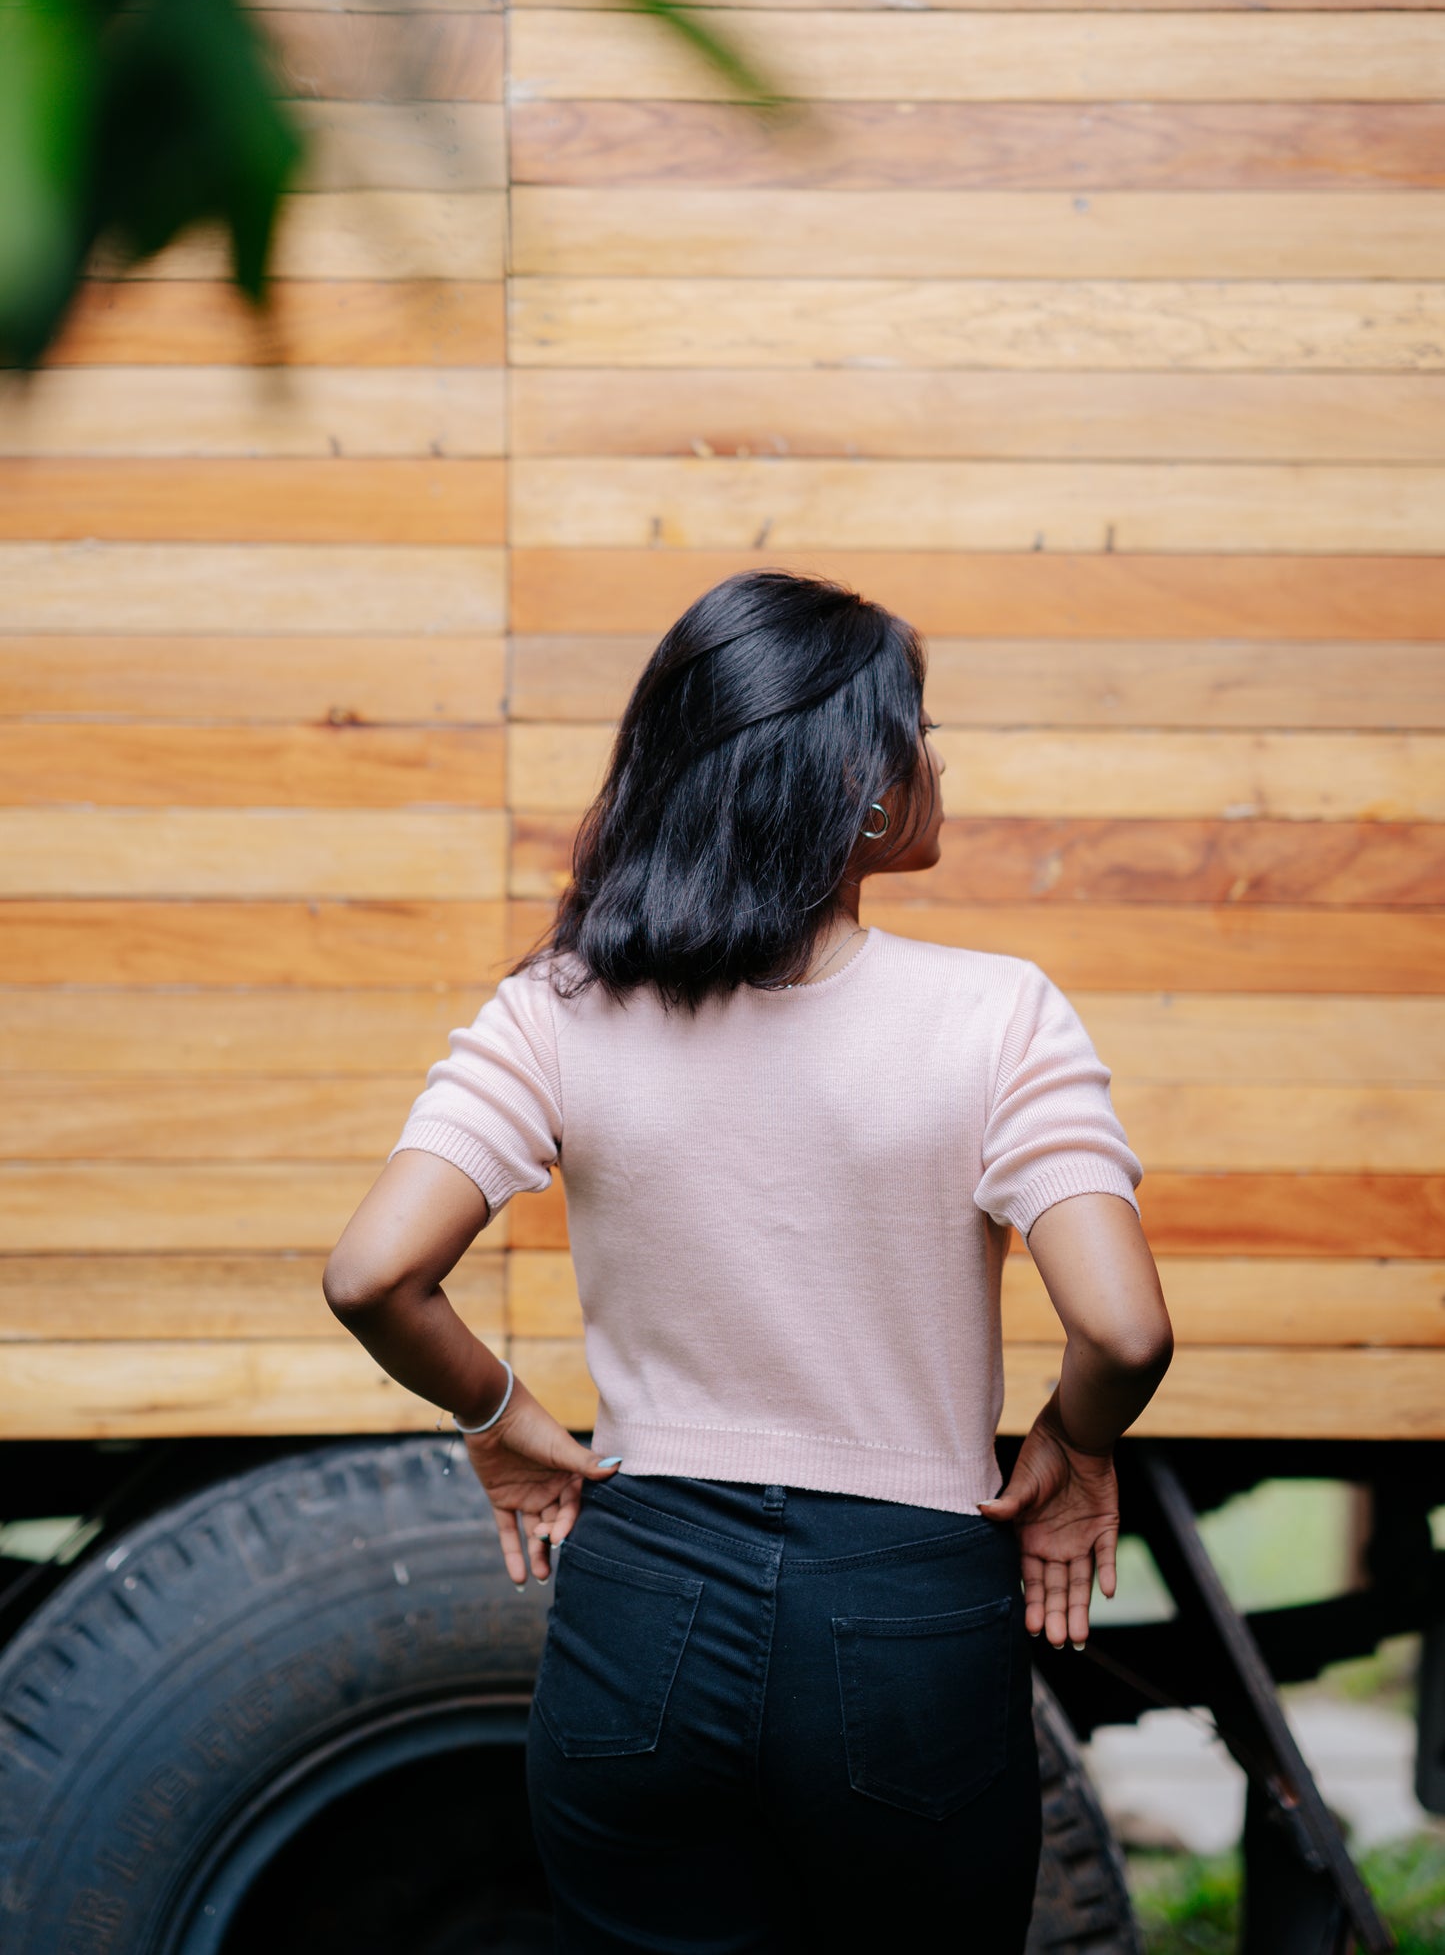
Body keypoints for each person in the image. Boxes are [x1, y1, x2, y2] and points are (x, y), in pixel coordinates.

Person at [324, 569, 1173, 1952]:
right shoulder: (997, 1017)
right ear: (857, 782)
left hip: (637, 1609)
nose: (936, 757)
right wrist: (1076, 1448)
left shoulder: (557, 1007)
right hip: (904, 1620)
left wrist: (499, 1418)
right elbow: (1124, 1330)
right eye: (919, 725)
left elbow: (373, 1273)